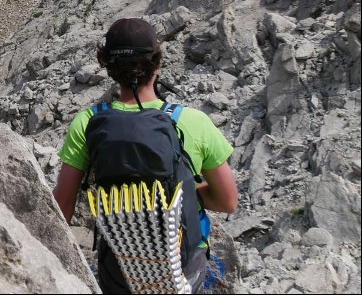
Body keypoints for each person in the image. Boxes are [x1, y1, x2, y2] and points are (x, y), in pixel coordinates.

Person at [52, 18, 239, 294]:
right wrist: (186, 192)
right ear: (158, 62)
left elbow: (62, 207)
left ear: (108, 66)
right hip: (183, 267)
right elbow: (228, 201)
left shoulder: (88, 122)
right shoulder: (193, 121)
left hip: (119, 267)